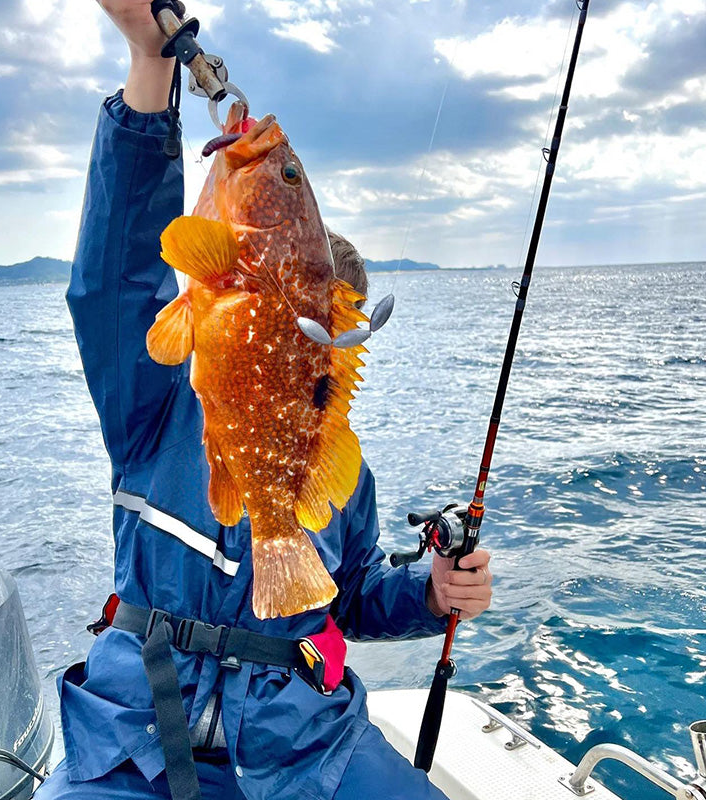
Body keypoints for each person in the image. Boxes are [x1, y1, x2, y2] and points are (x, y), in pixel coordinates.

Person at [35, 2, 493, 799]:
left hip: (305, 747)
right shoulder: (153, 407)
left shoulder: (336, 462)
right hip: (134, 735)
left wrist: (430, 593)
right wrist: (153, 64)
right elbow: (116, 280)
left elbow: (345, 595)